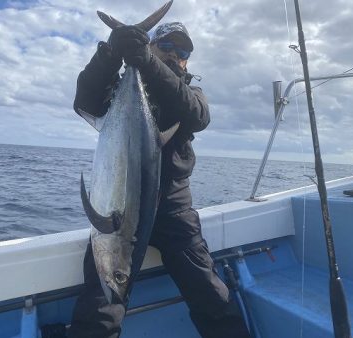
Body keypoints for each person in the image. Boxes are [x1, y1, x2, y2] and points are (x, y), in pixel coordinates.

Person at [68, 22, 251, 338]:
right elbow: (85, 101)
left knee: (210, 294)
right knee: (101, 305)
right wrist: (110, 55)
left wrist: (146, 62)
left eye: (182, 53)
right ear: (150, 46)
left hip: (173, 212)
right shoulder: (118, 90)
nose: (174, 56)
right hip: (119, 208)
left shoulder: (191, 93)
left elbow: (198, 115)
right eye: (165, 47)